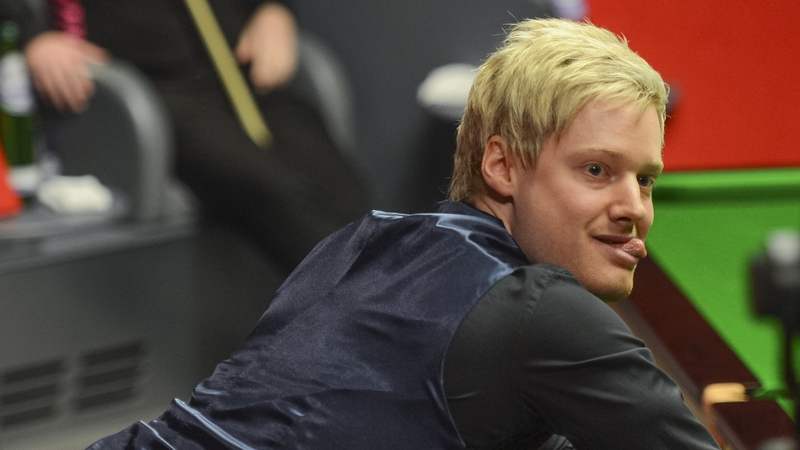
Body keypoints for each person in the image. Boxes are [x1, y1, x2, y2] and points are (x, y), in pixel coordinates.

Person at [83, 18, 721, 449]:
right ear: (502, 167)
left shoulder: (362, 242)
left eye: (647, 180)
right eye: (597, 170)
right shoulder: (541, 310)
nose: (634, 206)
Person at [11, 0, 370, 276]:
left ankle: (406, 315)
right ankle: (386, 326)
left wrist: (273, 10)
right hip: (155, 92)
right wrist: (32, 39)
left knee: (342, 191)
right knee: (273, 190)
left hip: (247, 74)